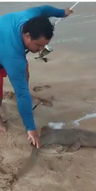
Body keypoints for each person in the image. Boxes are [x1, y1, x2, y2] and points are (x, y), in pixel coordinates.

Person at [0, 5, 74, 149]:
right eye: (38, 46)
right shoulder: (15, 59)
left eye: (44, 46)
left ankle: (25, 91)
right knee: (12, 92)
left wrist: (61, 13)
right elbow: (21, 94)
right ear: (27, 35)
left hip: (6, 41)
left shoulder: (31, 16)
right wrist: (31, 129)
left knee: (24, 74)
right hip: (5, 52)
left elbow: (44, 9)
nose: (40, 50)